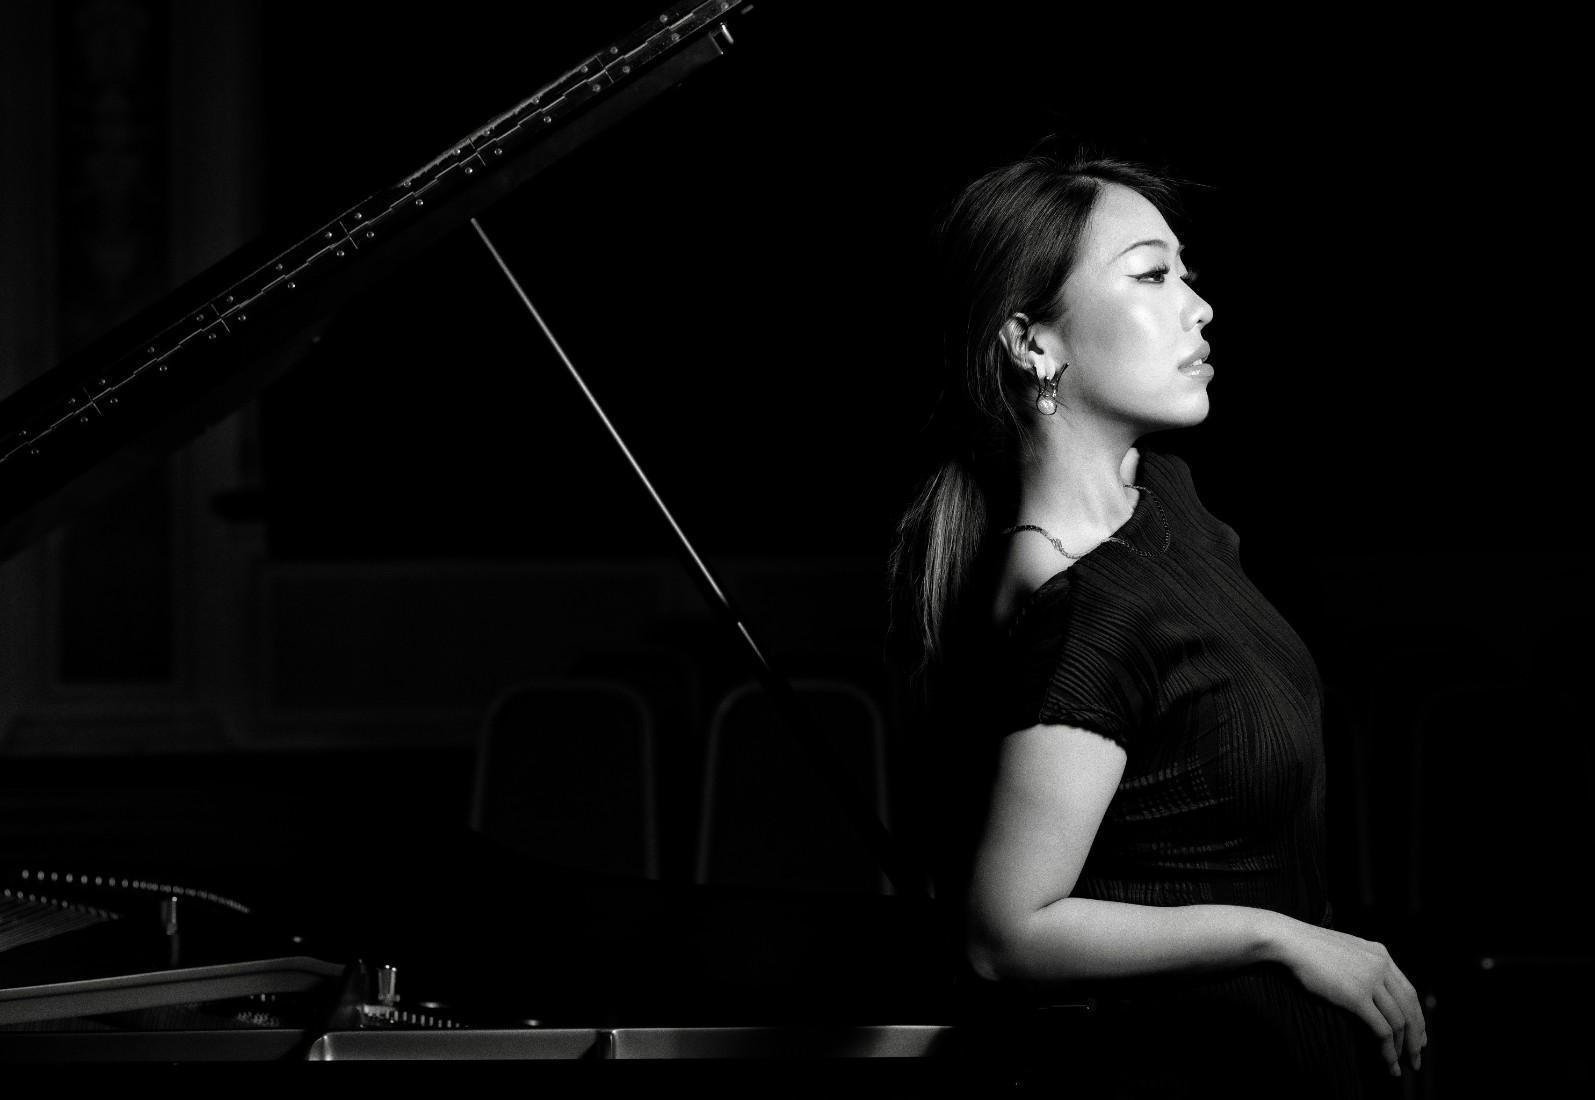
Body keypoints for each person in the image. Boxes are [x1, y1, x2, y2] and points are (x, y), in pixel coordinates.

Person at [885, 146, 1426, 1097]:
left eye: (1186, 272)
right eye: (1150, 273)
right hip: (1192, 1079)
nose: (1198, 304)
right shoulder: (1079, 605)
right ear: (1032, 343)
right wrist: (1282, 937)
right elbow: (1007, 930)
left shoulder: (1166, 503)